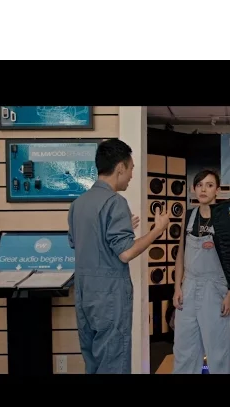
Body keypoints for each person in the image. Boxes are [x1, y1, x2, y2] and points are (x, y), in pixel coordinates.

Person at [68, 139, 170, 374]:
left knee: (93, 362)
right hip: (109, 296)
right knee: (113, 362)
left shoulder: (78, 204)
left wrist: (120, 230)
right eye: (132, 168)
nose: (132, 175)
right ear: (120, 167)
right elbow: (126, 253)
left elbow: (79, 242)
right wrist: (157, 230)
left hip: (85, 293)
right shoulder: (115, 202)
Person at [172, 169, 230, 374]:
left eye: (209, 185)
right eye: (199, 185)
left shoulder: (224, 218)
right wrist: (177, 287)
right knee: (184, 349)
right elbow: (180, 254)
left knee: (219, 351)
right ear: (193, 189)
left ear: (217, 190)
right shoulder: (189, 216)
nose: (203, 189)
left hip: (215, 288)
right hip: (189, 286)